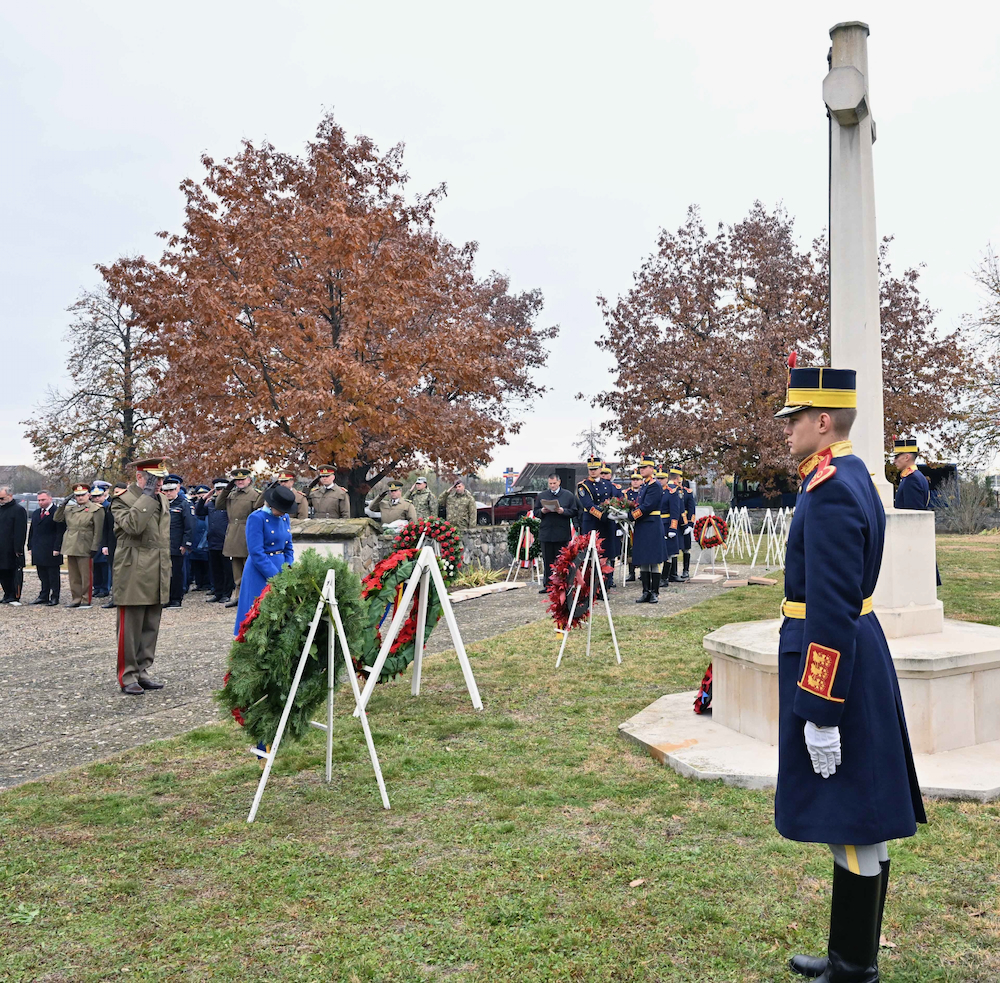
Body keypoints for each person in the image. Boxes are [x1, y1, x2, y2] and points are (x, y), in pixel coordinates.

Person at [774, 365, 925, 982]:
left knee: (855, 824)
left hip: (840, 672)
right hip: (857, 659)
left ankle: (854, 970)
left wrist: (821, 712)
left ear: (823, 421)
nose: (785, 430)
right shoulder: (852, 475)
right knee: (854, 819)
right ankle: (847, 959)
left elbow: (832, 612)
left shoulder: (833, 488)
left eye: (793, 418)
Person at [111, 457, 171, 695]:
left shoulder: (162, 499)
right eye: (154, 479)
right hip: (133, 569)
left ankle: (143, 670)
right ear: (140, 477)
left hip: (157, 568)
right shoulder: (122, 500)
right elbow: (133, 526)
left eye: (162, 479)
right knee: (131, 627)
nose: (159, 484)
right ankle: (127, 675)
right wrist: (147, 496)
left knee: (150, 625)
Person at [233, 483, 295, 636]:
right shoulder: (256, 518)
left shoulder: (284, 518)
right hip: (260, 570)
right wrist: (274, 576)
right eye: (281, 509)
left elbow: (288, 546)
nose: (283, 513)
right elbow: (256, 552)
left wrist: (288, 567)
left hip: (281, 566)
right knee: (257, 611)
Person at [891, 438, 941, 587]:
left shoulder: (912, 479)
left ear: (907, 457)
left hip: (911, 537)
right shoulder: (914, 476)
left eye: (897, 457)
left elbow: (913, 515)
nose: (894, 461)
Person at [216, 468, 263, 608]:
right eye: (237, 480)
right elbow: (218, 505)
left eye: (243, 479)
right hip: (233, 533)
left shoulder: (255, 494)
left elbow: (258, 512)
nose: (240, 482)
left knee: (249, 566)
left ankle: (252, 596)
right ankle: (238, 595)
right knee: (236, 568)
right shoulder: (231, 494)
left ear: (249, 480)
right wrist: (226, 489)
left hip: (247, 532)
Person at [55, 483, 105, 608]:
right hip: (71, 543)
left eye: (83, 495)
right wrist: (63, 504)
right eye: (77, 496)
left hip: (85, 543)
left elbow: (98, 530)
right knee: (74, 575)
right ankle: (76, 598)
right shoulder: (70, 509)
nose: (80, 498)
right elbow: (57, 518)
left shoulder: (96, 509)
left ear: (89, 495)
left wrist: (95, 546)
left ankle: (85, 599)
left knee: (86, 574)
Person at [577, 457, 618, 590]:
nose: (593, 472)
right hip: (592, 524)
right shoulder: (583, 486)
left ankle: (607, 583)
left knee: (608, 553)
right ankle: (593, 586)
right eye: (591, 469)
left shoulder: (608, 485)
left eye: (595, 469)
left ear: (600, 469)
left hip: (607, 524)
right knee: (592, 556)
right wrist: (604, 515)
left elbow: (614, 499)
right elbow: (589, 505)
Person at [630, 456, 665, 604]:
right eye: (640, 467)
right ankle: (646, 591)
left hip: (651, 524)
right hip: (643, 525)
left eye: (644, 467)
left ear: (652, 468)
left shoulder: (654, 485)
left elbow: (647, 506)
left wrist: (631, 515)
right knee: (644, 559)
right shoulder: (645, 485)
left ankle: (654, 592)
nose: (641, 469)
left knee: (654, 560)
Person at [537, 472, 579, 593]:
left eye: (554, 483)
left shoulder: (568, 495)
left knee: (562, 560)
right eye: (550, 484)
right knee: (548, 560)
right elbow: (535, 512)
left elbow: (574, 511)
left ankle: (562, 584)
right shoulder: (542, 495)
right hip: (546, 533)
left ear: (559, 482)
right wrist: (542, 511)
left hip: (561, 533)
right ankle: (548, 585)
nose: (552, 486)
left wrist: (563, 511)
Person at [197, 479, 234, 603]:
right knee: (215, 569)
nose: (220, 492)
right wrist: (204, 498)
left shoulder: (230, 503)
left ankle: (226, 593)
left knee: (227, 570)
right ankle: (218, 592)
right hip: (212, 541)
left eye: (222, 489)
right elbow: (199, 511)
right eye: (217, 489)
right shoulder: (211, 503)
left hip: (226, 541)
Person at [162, 475, 194, 608]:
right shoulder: (162, 503)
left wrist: (186, 543)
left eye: (172, 490)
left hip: (176, 543)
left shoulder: (184, 503)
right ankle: (166, 597)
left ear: (178, 488)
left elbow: (190, 525)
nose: (169, 493)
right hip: (163, 544)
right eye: (166, 490)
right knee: (164, 573)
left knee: (176, 572)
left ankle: (176, 598)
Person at [27, 489, 64, 605]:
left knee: (53, 574)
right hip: (38, 547)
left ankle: (55, 596)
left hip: (51, 548)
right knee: (42, 574)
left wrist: (57, 548)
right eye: (39, 500)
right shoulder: (37, 512)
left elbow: (60, 532)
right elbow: (32, 530)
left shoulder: (57, 512)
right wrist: (30, 546)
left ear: (50, 499)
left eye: (43, 500)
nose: (40, 502)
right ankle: (44, 595)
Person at [100, 482, 128, 608]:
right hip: (113, 544)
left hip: (127, 544)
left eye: (120, 492)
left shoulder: (131, 506)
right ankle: (115, 598)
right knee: (114, 571)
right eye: (115, 492)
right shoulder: (110, 507)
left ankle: (127, 597)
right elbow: (105, 528)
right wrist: (105, 545)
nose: (117, 495)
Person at [0, 486, 28, 605]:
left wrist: (18, 548)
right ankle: (7, 593)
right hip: (1, 547)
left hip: (11, 548)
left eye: (2, 498)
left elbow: (20, 531)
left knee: (12, 571)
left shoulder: (18, 510)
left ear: (10, 496)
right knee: (2, 572)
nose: (0, 501)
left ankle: (14, 594)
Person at [186, 485, 213, 591]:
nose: (201, 495)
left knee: (206, 562)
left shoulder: (210, 505)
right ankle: (199, 583)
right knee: (195, 561)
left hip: (205, 535)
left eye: (203, 494)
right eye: (199, 494)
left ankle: (207, 583)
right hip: (195, 536)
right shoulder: (193, 504)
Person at [90, 482, 112, 598]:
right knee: (96, 565)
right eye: (94, 496)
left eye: (99, 496)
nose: (97, 498)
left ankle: (105, 588)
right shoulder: (91, 508)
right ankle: (97, 587)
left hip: (105, 539)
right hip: (94, 539)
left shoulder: (109, 506)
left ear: (104, 495)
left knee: (105, 565)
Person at [662, 468, 684, 583]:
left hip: (668, 524)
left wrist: (673, 527)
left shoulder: (672, 492)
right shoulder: (656, 491)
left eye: (662, 478)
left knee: (670, 551)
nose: (660, 480)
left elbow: (675, 511)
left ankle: (665, 577)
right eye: (658, 478)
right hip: (657, 524)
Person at [624, 471, 643, 582]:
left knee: (640, 547)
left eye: (637, 479)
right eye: (633, 480)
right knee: (629, 548)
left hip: (640, 522)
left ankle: (642, 571)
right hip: (629, 524)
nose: (635, 482)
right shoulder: (626, 493)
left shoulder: (644, 492)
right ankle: (631, 573)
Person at [679, 478, 697, 582]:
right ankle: (672, 572)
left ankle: (686, 570)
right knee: (674, 549)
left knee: (686, 548)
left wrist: (690, 524)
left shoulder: (688, 492)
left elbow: (692, 510)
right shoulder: (671, 491)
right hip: (675, 522)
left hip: (685, 523)